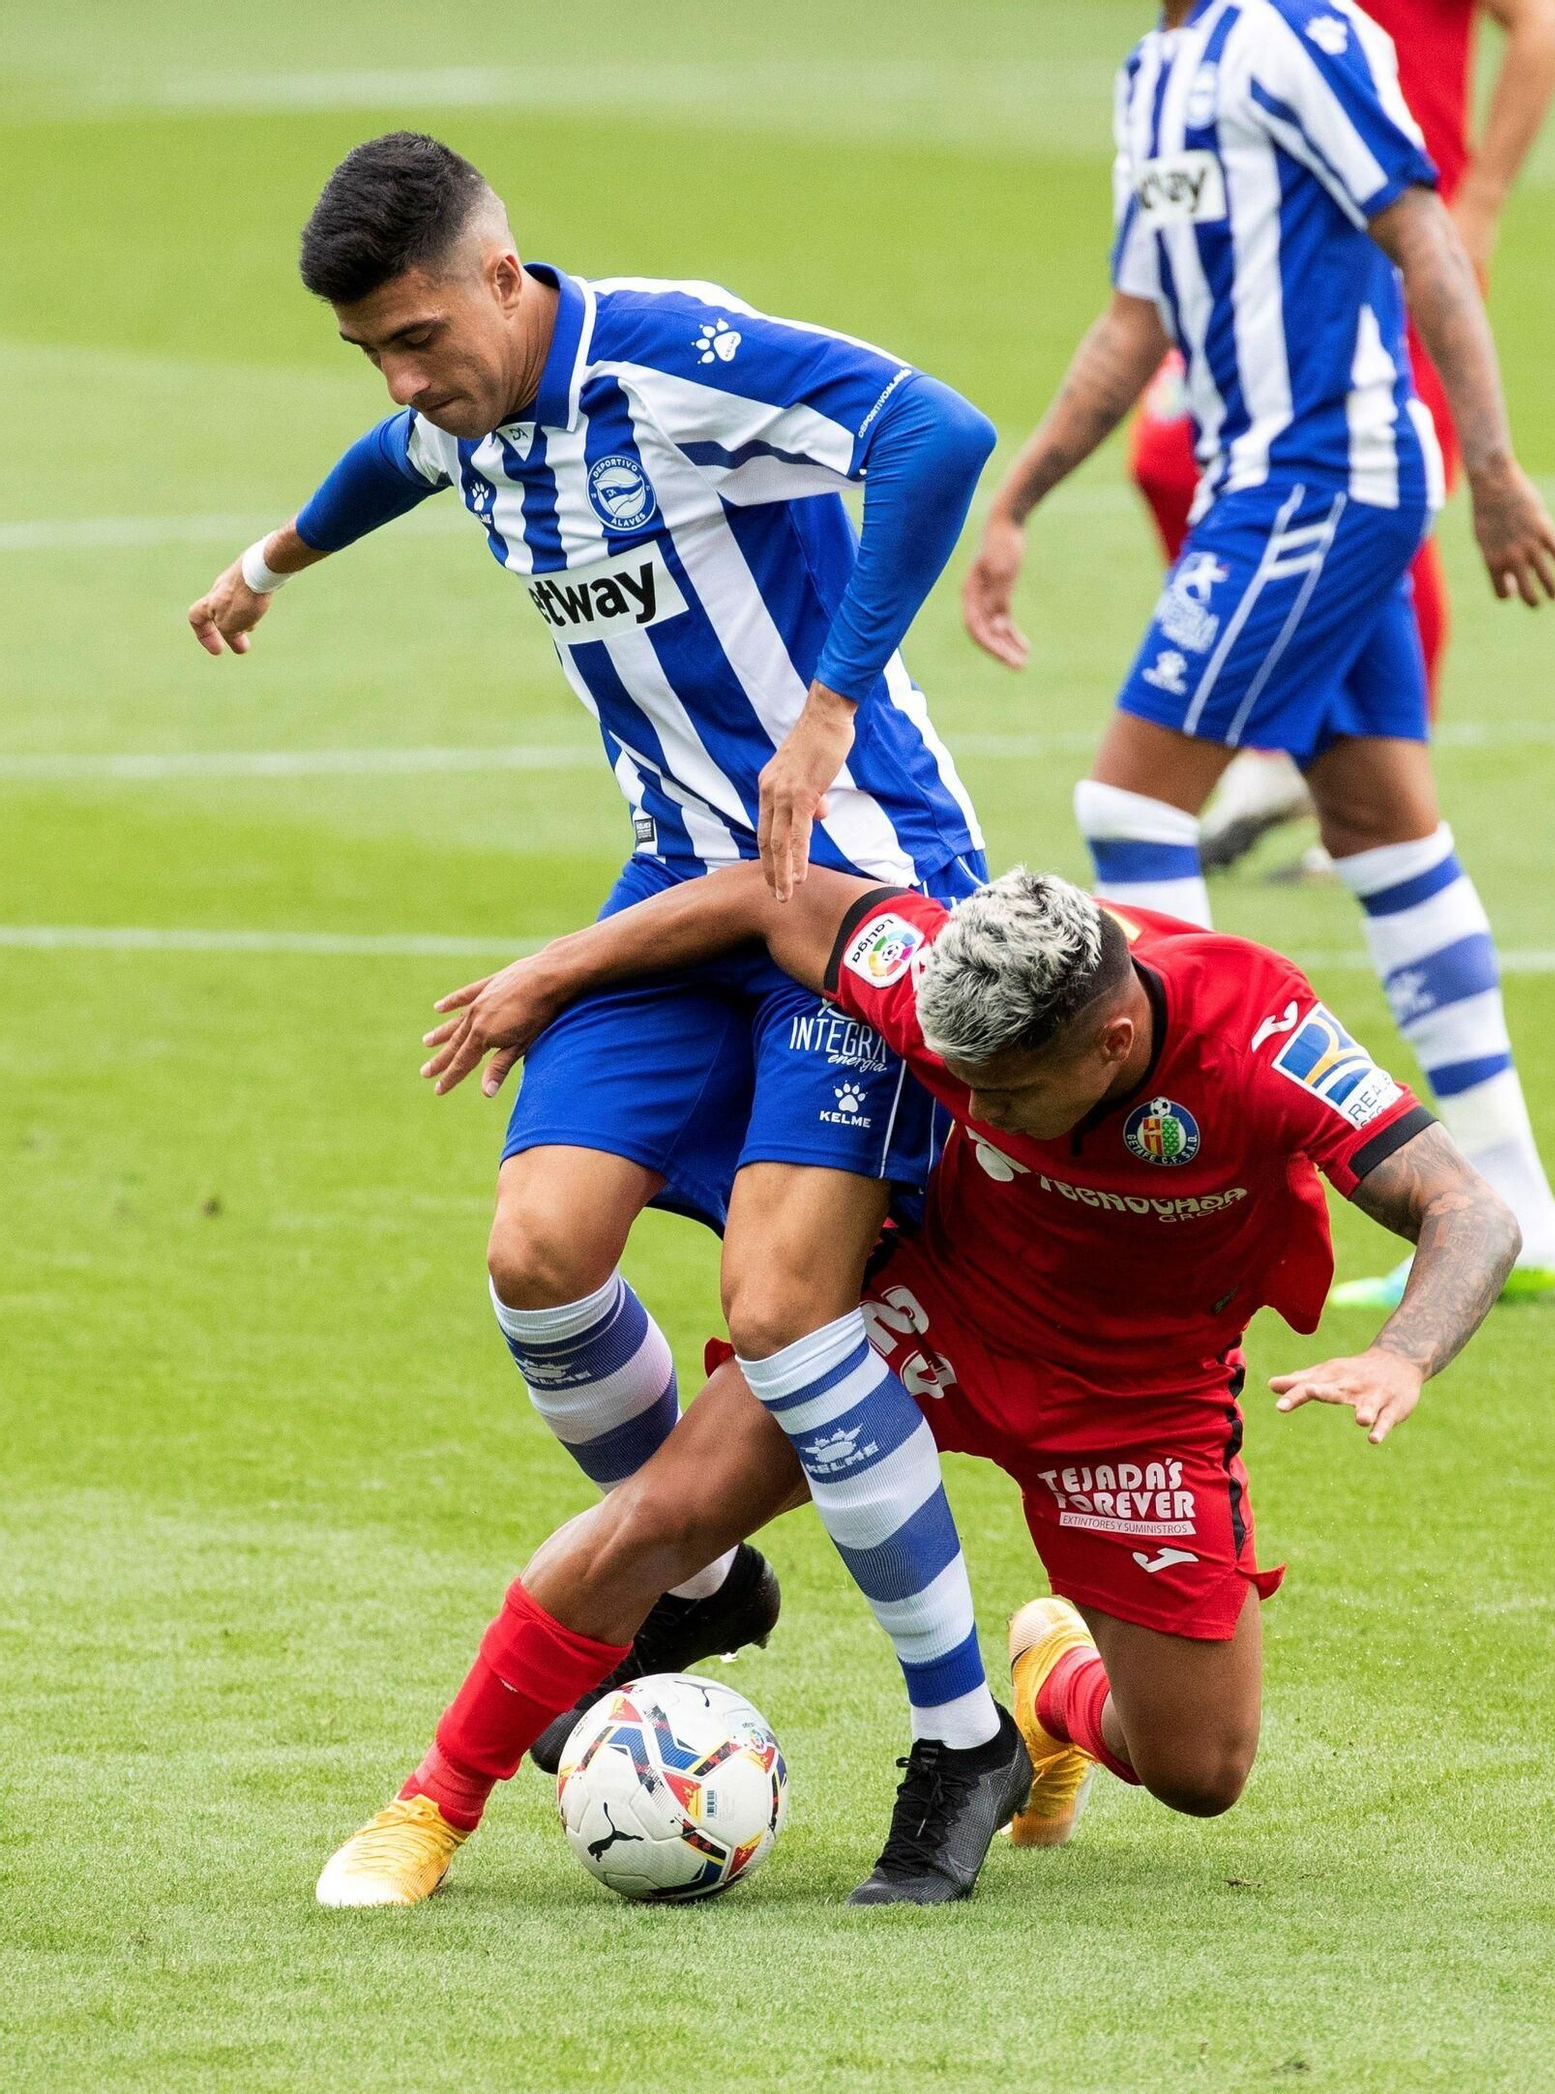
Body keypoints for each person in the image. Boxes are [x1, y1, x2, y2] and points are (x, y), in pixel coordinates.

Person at [186, 133, 1009, 1768]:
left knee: (779, 1305)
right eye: (373, 355)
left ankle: (962, 1730)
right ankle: (696, 1579)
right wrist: (274, 558)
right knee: (539, 1250)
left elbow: (935, 430)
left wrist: (832, 697)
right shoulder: (460, 417)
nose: (407, 382)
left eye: (419, 339)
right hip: (671, 889)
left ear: (506, 276)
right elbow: (388, 463)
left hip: (848, 885)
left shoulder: (667, 359)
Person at [316, 855, 1518, 1908]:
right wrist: (555, 968)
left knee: (1201, 1773)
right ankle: (430, 1807)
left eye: (1004, 1093)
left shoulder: (1262, 1034)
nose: (975, 1111)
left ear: (1108, 1042)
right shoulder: (932, 964)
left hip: (1135, 1397)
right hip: (929, 1312)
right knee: (663, 1515)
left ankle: (1053, 1689)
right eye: (963, 1085)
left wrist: (1399, 1354)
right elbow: (759, 895)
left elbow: (1466, 1209)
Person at [961, 0, 1555, 1307]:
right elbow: (1137, 318)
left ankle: (1184, 1199)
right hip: (1268, 478)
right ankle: (1521, 1199)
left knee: (1129, 801)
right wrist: (1018, 499)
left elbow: (1423, 238)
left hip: (1321, 477)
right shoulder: (1154, 74)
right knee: (1382, 828)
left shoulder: (1305, 34)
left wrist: (1492, 464)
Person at [1126, 0, 1555, 870]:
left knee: (1379, 480)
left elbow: (1542, 23)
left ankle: (1379, 788)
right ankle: (1304, 745)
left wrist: (1478, 200)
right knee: (1167, 458)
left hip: (1396, 235)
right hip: (1275, 234)